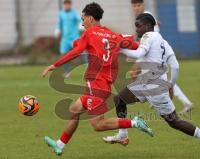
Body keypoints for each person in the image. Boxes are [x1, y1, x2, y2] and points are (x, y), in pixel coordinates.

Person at [103, 13, 200, 155]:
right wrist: (170, 85)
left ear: (148, 26)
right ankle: (123, 135)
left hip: (154, 88)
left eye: (138, 26)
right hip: (147, 84)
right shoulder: (162, 41)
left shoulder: (148, 36)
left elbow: (138, 53)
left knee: (175, 122)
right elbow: (176, 66)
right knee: (119, 99)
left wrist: (118, 49)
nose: (136, 30)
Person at [42, 2, 153, 156]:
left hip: (97, 85)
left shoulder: (90, 33)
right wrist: (152, 43)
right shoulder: (112, 34)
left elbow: (76, 51)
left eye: (83, 18)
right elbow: (134, 46)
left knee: (97, 124)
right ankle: (60, 144)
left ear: (91, 19)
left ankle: (135, 122)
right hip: (99, 84)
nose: (82, 22)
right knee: (74, 110)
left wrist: (55, 65)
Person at [130, 0, 193, 114]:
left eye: (138, 5)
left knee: (139, 74)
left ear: (143, 5)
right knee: (144, 75)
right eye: (134, 6)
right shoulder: (142, 18)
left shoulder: (147, 16)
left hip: (156, 52)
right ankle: (155, 98)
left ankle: (182, 102)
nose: (136, 8)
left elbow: (154, 35)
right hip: (149, 52)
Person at [55, 0, 87, 78]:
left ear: (70, 5)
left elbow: (80, 20)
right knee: (64, 55)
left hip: (74, 37)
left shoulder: (74, 13)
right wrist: (57, 29)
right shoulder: (61, 14)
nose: (67, 6)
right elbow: (59, 23)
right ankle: (67, 72)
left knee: (81, 52)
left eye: (68, 4)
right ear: (64, 5)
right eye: (65, 4)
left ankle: (88, 68)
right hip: (65, 38)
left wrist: (81, 24)